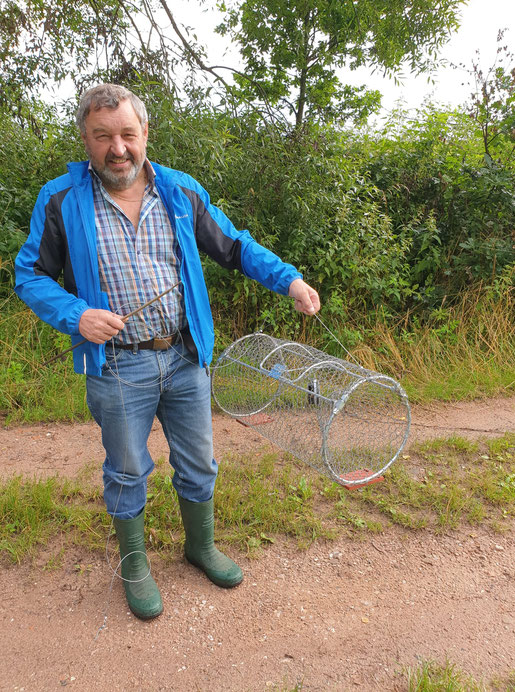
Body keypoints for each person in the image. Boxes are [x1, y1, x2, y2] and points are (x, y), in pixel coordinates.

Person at [15, 84, 320, 621]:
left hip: (184, 358)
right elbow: (30, 276)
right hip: (116, 366)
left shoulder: (179, 191)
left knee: (198, 462)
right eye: (103, 136)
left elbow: (235, 246)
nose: (118, 148)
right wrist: (76, 315)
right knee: (128, 471)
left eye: (127, 134)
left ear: (145, 134)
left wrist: (289, 281)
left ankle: (199, 546)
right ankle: (134, 566)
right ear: (86, 139)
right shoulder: (60, 200)